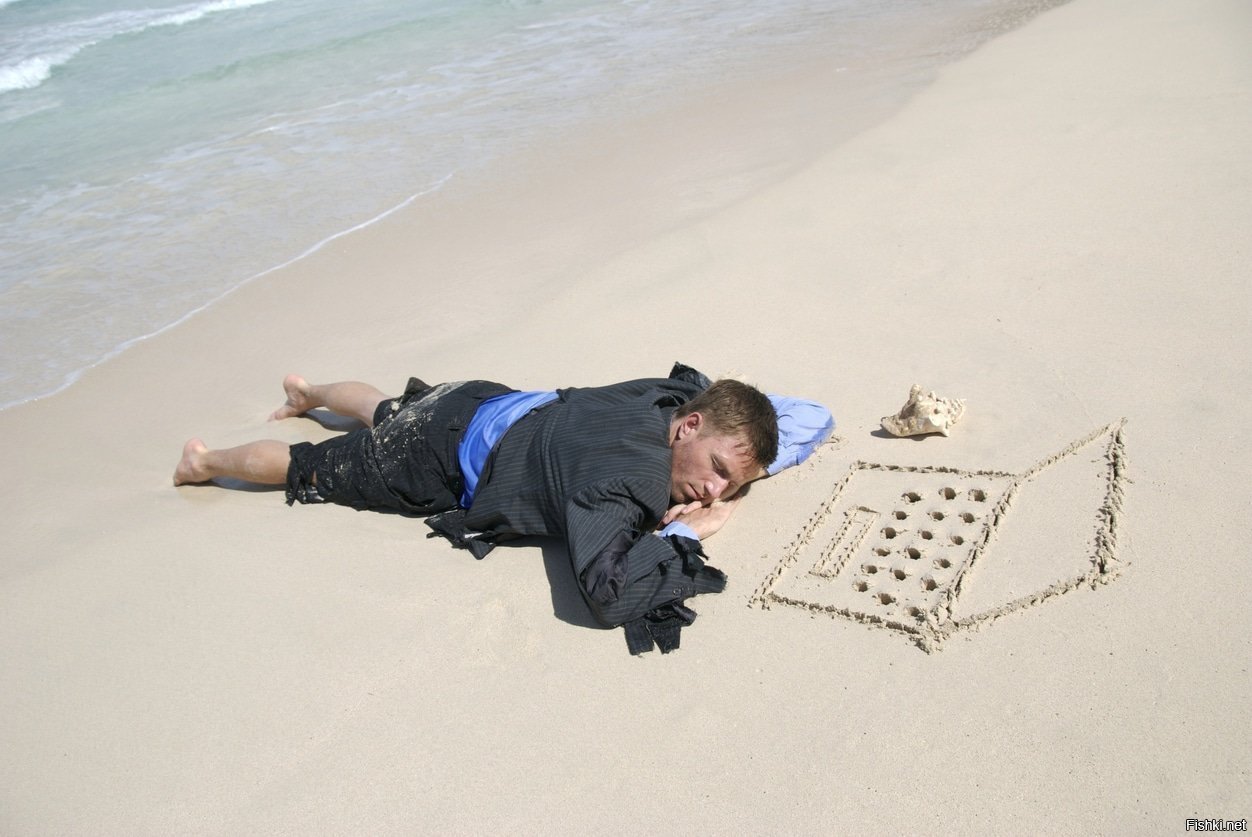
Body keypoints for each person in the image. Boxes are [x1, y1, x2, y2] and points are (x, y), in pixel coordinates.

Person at [174, 365, 832, 653]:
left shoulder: (675, 394)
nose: (715, 491)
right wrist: (686, 536)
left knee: (388, 409)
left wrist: (740, 467)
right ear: (688, 428)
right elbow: (608, 595)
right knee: (308, 466)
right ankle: (204, 462)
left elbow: (809, 417)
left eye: (731, 483)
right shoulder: (625, 482)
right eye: (717, 470)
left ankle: (308, 391)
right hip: (434, 455)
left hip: (483, 399)